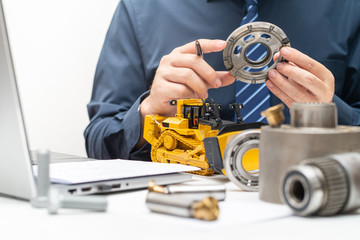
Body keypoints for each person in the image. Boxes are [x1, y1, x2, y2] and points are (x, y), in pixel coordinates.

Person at [84, 0, 360, 160]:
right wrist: (150, 113)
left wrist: (333, 116)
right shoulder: (143, 8)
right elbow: (99, 142)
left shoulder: (349, 8)